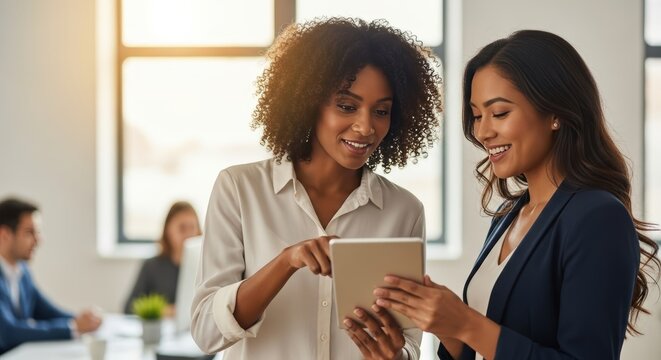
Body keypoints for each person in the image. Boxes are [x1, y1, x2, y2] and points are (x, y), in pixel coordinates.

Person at [370, 30, 661, 360]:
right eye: (477, 115)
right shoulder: (509, 216)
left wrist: (465, 323)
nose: (482, 131)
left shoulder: (597, 216)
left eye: (500, 113)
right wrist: (444, 326)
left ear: (556, 114)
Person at [191, 18, 443, 360]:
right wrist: (286, 262)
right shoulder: (240, 189)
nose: (366, 126)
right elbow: (207, 332)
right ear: (308, 101)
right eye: (347, 106)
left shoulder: (404, 210)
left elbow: (410, 342)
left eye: (381, 111)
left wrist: (394, 356)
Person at [0, 197, 102, 354]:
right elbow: (8, 332)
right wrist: (73, 327)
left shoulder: (22, 272)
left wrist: (83, 320)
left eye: (38, 232)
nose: (39, 240)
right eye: (29, 232)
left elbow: (46, 311)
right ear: (5, 234)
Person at [124, 201, 201, 316]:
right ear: (168, 230)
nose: (188, 235)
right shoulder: (151, 266)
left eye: (192, 228)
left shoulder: (204, 267)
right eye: (182, 228)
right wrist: (163, 311)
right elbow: (129, 308)